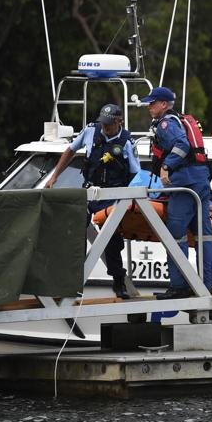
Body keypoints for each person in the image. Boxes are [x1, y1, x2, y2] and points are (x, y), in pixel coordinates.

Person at [44, 103, 140, 299]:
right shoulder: (90, 131)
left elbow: (135, 174)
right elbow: (70, 151)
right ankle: (71, 280)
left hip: (113, 196)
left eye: (109, 124)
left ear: (118, 122)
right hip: (89, 191)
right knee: (75, 230)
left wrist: (128, 201)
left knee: (112, 238)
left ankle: (118, 280)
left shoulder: (127, 143)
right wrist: (54, 177)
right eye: (103, 123)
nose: (104, 128)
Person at [140, 86, 212, 299]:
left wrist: (167, 166)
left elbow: (181, 144)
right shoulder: (177, 119)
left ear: (163, 104)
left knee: (174, 235)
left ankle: (179, 285)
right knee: (204, 237)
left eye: (152, 103)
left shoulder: (166, 123)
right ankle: (206, 286)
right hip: (199, 180)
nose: (149, 107)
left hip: (184, 183)